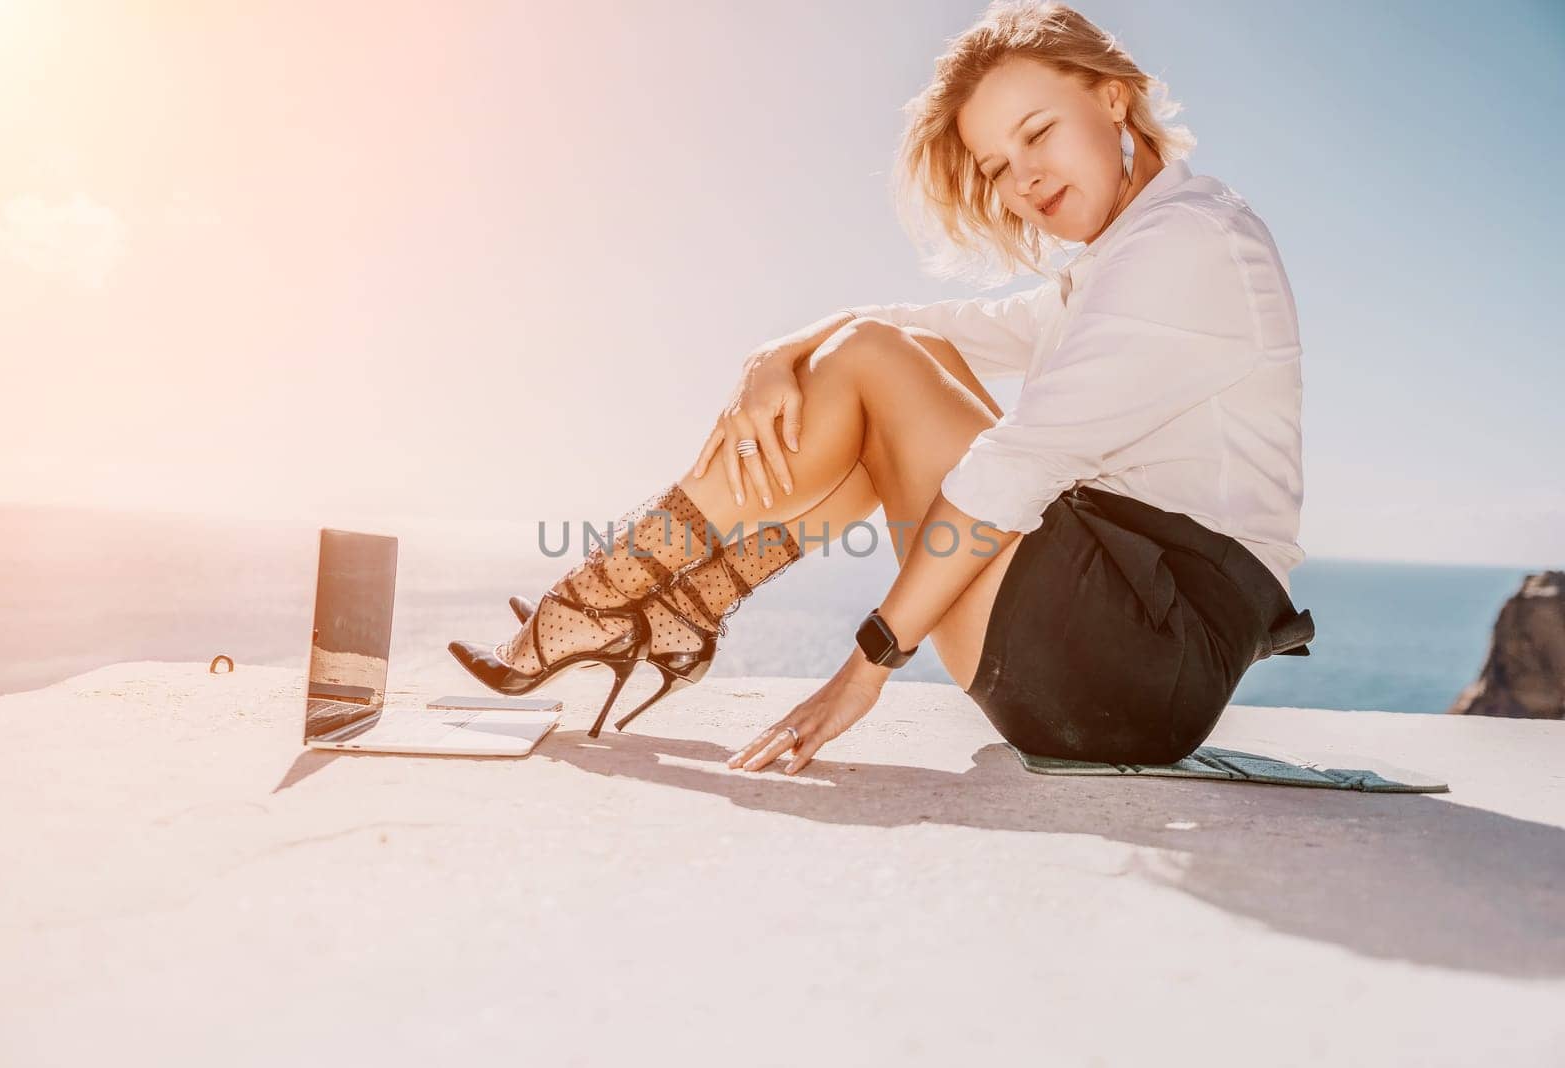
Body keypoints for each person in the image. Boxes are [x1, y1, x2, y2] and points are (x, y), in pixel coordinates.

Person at [449, 0, 1314, 774]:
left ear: (1112, 97)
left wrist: (865, 669)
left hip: (1132, 661)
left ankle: (596, 603)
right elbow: (940, 331)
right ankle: (677, 608)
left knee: (872, 361)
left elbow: (1015, 463)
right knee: (875, 374)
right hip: (1110, 667)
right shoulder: (1126, 259)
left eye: (1038, 133)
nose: (1024, 180)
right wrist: (778, 351)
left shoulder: (1188, 246)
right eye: (997, 165)